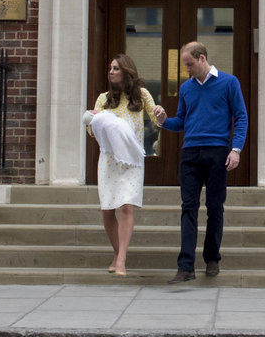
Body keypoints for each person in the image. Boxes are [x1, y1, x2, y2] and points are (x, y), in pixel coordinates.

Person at [153, 41, 247, 284]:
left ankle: (212, 258)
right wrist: (164, 120)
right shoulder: (186, 88)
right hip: (190, 154)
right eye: (186, 65)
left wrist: (235, 150)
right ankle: (185, 267)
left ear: (202, 58)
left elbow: (241, 117)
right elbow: (181, 122)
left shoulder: (229, 82)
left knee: (215, 207)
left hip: (218, 152)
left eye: (190, 64)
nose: (187, 69)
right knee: (188, 208)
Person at [84, 54, 159, 277]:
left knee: (126, 206)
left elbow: (157, 121)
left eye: (116, 68)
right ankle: (117, 254)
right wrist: (92, 118)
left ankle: (122, 260)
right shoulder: (103, 99)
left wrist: (160, 114)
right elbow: (91, 131)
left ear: (127, 71)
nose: (111, 72)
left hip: (132, 161)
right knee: (108, 210)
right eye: (110, 68)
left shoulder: (142, 95)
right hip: (108, 160)